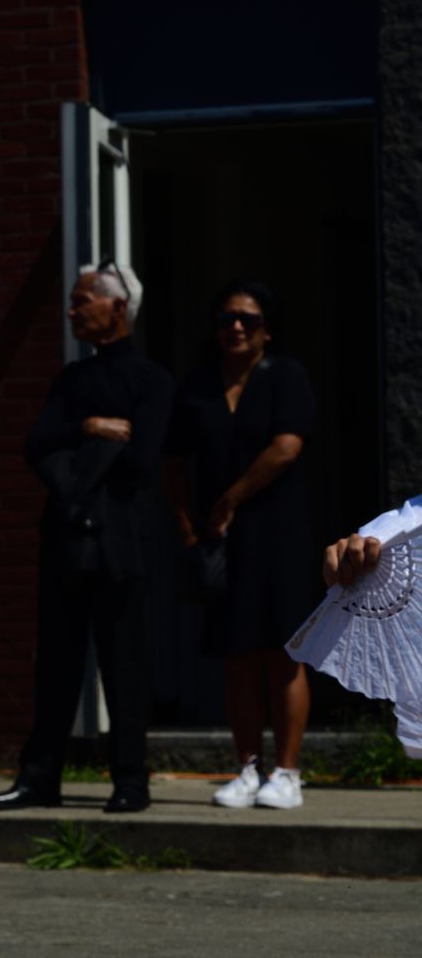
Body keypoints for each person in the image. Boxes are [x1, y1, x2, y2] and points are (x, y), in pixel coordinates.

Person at [0, 263, 173, 815]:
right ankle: (40, 774)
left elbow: (140, 459)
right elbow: (36, 444)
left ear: (117, 307)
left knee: (125, 663)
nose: (72, 311)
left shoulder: (151, 380)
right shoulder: (72, 381)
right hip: (68, 537)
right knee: (56, 662)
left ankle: (131, 777)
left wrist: (76, 458)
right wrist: (92, 429)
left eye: (82, 300)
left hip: (122, 540)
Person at [167, 281, 317, 810]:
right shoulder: (198, 386)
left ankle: (289, 771)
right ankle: (247, 768)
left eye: (248, 319)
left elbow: (286, 447)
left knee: (283, 651)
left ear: (267, 330)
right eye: (227, 317)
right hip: (220, 540)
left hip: (277, 534)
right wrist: (187, 521)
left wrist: (231, 498)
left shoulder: (285, 377)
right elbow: (174, 458)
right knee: (236, 656)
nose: (235, 327)